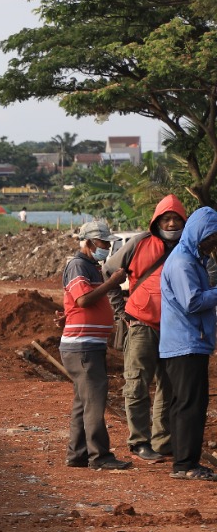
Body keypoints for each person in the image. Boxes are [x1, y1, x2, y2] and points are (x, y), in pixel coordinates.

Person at [104, 195, 187, 464]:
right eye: (166, 218)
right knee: (137, 383)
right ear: (156, 221)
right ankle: (139, 442)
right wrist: (120, 312)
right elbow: (109, 272)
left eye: (176, 218)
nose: (171, 223)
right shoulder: (139, 243)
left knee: (169, 387)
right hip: (141, 324)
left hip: (175, 330)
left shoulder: (190, 247)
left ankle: (163, 441)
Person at [59, 220, 131, 471]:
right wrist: (114, 283)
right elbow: (83, 299)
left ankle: (77, 453)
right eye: (103, 243)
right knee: (94, 401)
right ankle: (99, 456)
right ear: (89, 243)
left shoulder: (90, 265)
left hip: (86, 345)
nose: (107, 247)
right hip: (83, 346)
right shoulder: (79, 265)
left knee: (84, 401)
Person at [159, 206, 217, 480]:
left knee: (186, 403)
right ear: (199, 234)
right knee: (190, 405)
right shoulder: (183, 262)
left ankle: (184, 461)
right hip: (186, 342)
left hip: (187, 342)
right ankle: (186, 464)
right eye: (211, 237)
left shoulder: (192, 260)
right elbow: (192, 301)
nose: (213, 243)